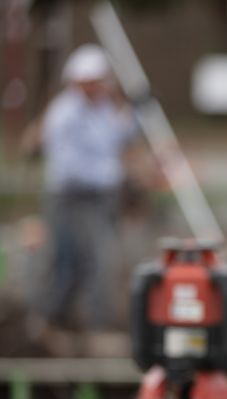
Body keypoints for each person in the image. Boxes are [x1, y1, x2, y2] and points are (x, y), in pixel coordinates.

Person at [37, 43, 137, 330]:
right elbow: (70, 168)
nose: (100, 87)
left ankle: (65, 318)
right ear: (78, 82)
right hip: (72, 199)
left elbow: (115, 136)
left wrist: (138, 114)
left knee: (87, 260)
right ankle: (77, 320)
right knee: (82, 258)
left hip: (98, 198)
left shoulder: (101, 109)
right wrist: (117, 175)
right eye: (93, 81)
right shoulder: (64, 115)